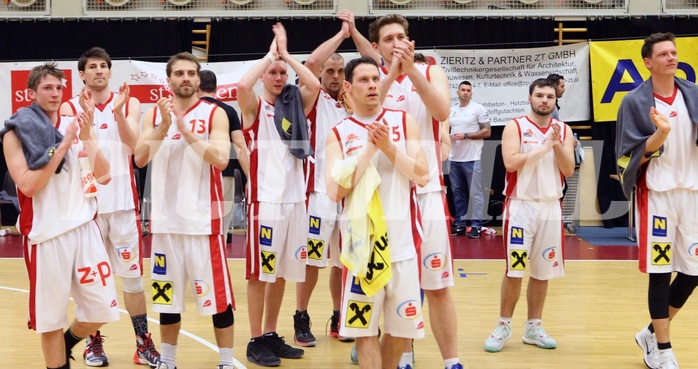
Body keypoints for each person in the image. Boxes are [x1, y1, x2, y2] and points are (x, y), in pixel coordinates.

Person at [338, 10, 461, 369]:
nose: (396, 44)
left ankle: (451, 360)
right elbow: (370, 112)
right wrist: (392, 71)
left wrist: (412, 72)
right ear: (376, 47)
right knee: (388, 279)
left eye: (400, 38)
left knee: (437, 284)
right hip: (385, 195)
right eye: (387, 40)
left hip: (425, 188)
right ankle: (402, 356)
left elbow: (440, 111)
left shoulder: (431, 71)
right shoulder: (371, 81)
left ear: (411, 42)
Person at [1, 62, 120, 369]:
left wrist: (87, 134)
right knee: (50, 320)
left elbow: (105, 176)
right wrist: (64, 143)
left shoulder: (73, 124)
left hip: (84, 229)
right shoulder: (15, 134)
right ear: (31, 93)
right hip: (46, 235)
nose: (55, 94)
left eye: (58, 88)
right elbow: (27, 185)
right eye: (47, 88)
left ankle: (67, 343)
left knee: (101, 311)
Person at [325, 55, 428, 369]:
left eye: (375, 79)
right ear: (348, 87)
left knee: (400, 331)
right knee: (364, 331)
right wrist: (370, 150)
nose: (372, 85)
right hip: (362, 248)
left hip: (403, 245)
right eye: (363, 80)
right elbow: (334, 191)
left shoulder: (402, 120)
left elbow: (422, 173)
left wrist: (389, 148)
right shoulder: (339, 133)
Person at [59, 46, 160, 368]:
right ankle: (93, 341)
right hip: (86, 209)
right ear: (82, 74)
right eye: (93, 67)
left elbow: (135, 148)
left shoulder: (128, 102)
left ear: (110, 72)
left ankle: (143, 343)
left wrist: (117, 112)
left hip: (122, 205)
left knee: (132, 280)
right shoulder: (68, 107)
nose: (99, 71)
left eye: (104, 66)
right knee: (90, 281)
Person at [133, 52, 235, 369]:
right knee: (167, 299)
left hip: (204, 223)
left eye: (191, 73)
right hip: (165, 223)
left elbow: (220, 159)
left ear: (198, 78)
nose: (186, 78)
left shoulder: (214, 113)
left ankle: (226, 361)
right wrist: (166, 125)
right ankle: (168, 360)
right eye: (179, 73)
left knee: (218, 300)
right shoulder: (153, 115)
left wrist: (187, 131)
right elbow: (140, 158)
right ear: (169, 80)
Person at [236, 23, 321, 367]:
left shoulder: (295, 105)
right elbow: (242, 84)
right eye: (272, 72)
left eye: (282, 73)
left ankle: (271, 333)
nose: (278, 76)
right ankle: (255, 339)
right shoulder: (254, 106)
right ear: (262, 76)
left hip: (295, 200)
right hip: (265, 201)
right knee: (260, 274)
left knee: (283, 272)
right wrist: (270, 54)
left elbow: (313, 84)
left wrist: (286, 55)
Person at [616, 32, 698, 369]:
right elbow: (626, 157)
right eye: (663, 53)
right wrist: (659, 135)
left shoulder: (693, 93)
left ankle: (651, 331)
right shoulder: (634, 102)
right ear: (648, 62)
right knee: (660, 272)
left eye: (674, 52)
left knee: (693, 271)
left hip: (692, 194)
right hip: (658, 195)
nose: (671, 57)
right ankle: (662, 349)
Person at [483, 78, 574, 353]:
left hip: (550, 207)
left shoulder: (564, 130)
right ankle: (503, 324)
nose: (545, 100)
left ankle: (534, 327)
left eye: (549, 96)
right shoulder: (516, 125)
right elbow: (510, 162)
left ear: (555, 99)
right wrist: (542, 148)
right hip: (521, 206)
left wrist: (556, 146)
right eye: (539, 95)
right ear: (529, 97)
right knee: (514, 269)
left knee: (542, 272)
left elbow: (568, 170)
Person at [293, 22, 353, 346]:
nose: (335, 76)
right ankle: (301, 316)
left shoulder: (354, 102)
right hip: (319, 193)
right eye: (330, 70)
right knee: (313, 260)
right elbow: (311, 64)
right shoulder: (313, 96)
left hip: (351, 195)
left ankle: (339, 314)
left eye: (340, 71)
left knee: (345, 261)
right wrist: (344, 35)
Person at [196, 69, 250, 241]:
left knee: (196, 227)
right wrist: (251, 178)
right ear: (216, 88)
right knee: (220, 226)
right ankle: (218, 261)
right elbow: (240, 146)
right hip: (224, 173)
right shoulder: (229, 111)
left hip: (195, 174)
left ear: (197, 86)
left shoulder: (189, 111)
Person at [448, 80, 492, 238]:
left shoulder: (478, 108)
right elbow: (445, 131)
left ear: (471, 93)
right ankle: (459, 224)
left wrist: (466, 136)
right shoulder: (451, 110)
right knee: (458, 193)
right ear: (457, 92)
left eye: (468, 90)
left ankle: (476, 226)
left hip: (472, 158)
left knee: (475, 193)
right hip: (454, 159)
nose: (465, 92)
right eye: (463, 90)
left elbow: (487, 132)